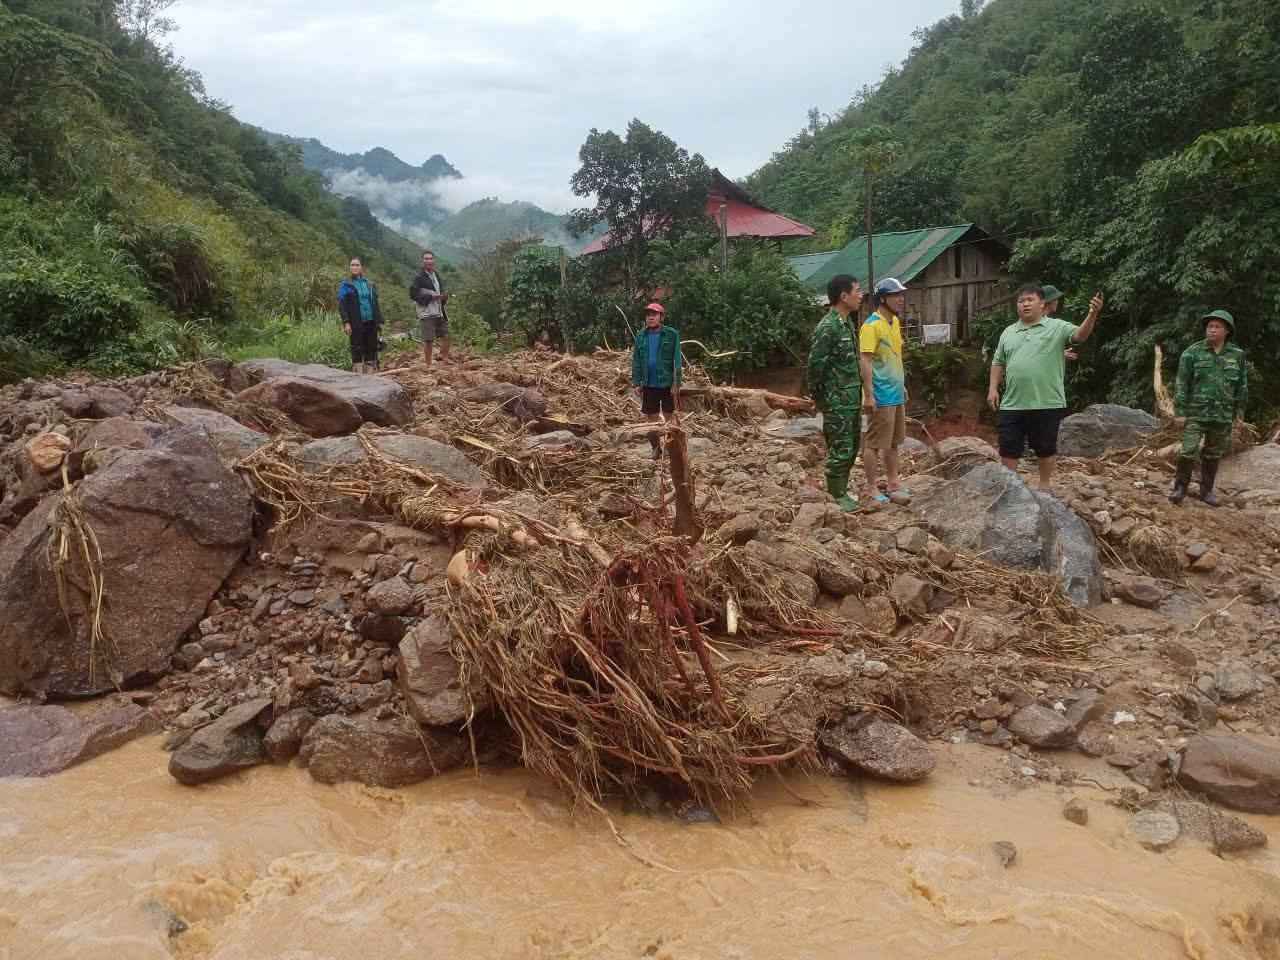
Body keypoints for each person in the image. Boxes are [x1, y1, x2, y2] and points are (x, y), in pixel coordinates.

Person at [987, 284, 1103, 491]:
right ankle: (1010, 488)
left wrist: (1093, 313)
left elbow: (1079, 336)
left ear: (1042, 304)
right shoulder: (1008, 332)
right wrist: (993, 389)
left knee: (1045, 448)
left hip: (1047, 400)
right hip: (1012, 402)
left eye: (1030, 300)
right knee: (1008, 448)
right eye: (1021, 301)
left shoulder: (1057, 327)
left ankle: (1045, 486)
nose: (1025, 304)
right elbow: (998, 362)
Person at [1169, 309, 1248, 507]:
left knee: (1213, 454)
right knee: (1188, 450)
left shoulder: (1237, 355)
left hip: (1222, 414)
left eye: (1217, 327)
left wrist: (1239, 415)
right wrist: (1179, 413)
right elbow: (1181, 383)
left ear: (1227, 331)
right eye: (1209, 326)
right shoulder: (1192, 352)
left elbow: (1242, 386)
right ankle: (1180, 488)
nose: (1211, 330)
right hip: (1196, 412)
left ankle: (1207, 491)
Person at [807, 275, 865, 512]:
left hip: (851, 399)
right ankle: (836, 496)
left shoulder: (847, 322)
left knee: (851, 445)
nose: (861, 295)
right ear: (843, 296)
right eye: (857, 291)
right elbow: (815, 366)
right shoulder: (828, 327)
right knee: (841, 448)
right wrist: (820, 399)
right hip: (836, 401)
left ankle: (842, 490)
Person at [859, 277, 910, 505]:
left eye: (901, 294)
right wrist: (869, 395)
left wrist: (903, 385)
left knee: (894, 442)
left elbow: (895, 357)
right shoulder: (871, 326)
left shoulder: (895, 322)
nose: (900, 299)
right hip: (880, 395)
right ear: (882, 298)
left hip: (896, 393)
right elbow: (866, 361)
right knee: (873, 443)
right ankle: (871, 487)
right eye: (895, 295)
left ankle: (893, 482)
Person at [630, 302, 682, 458]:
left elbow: (677, 360)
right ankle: (655, 448)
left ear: (661, 317)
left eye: (654, 314)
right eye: (648, 315)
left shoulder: (672, 334)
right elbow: (637, 360)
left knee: (669, 416)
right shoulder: (641, 336)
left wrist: (676, 383)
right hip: (648, 384)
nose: (650, 317)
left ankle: (671, 447)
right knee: (651, 418)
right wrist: (637, 382)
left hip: (666, 383)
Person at [338, 257, 383, 374]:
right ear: (349, 267)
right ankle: (357, 376)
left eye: (357, 265)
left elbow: (375, 303)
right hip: (356, 322)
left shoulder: (369, 284)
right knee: (357, 348)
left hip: (371, 321)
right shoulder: (346, 285)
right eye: (352, 265)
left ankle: (370, 375)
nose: (354, 267)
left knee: (371, 348)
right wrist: (346, 322)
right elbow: (342, 305)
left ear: (361, 267)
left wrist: (378, 321)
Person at [410, 250, 450, 367]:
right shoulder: (418, 277)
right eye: (426, 259)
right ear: (422, 261)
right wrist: (431, 297)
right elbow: (413, 294)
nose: (428, 261)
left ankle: (444, 359)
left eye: (430, 258)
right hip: (427, 313)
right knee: (429, 340)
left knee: (446, 335)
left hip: (439, 311)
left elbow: (440, 291)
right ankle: (428, 365)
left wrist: (443, 297)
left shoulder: (436, 275)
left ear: (434, 261)